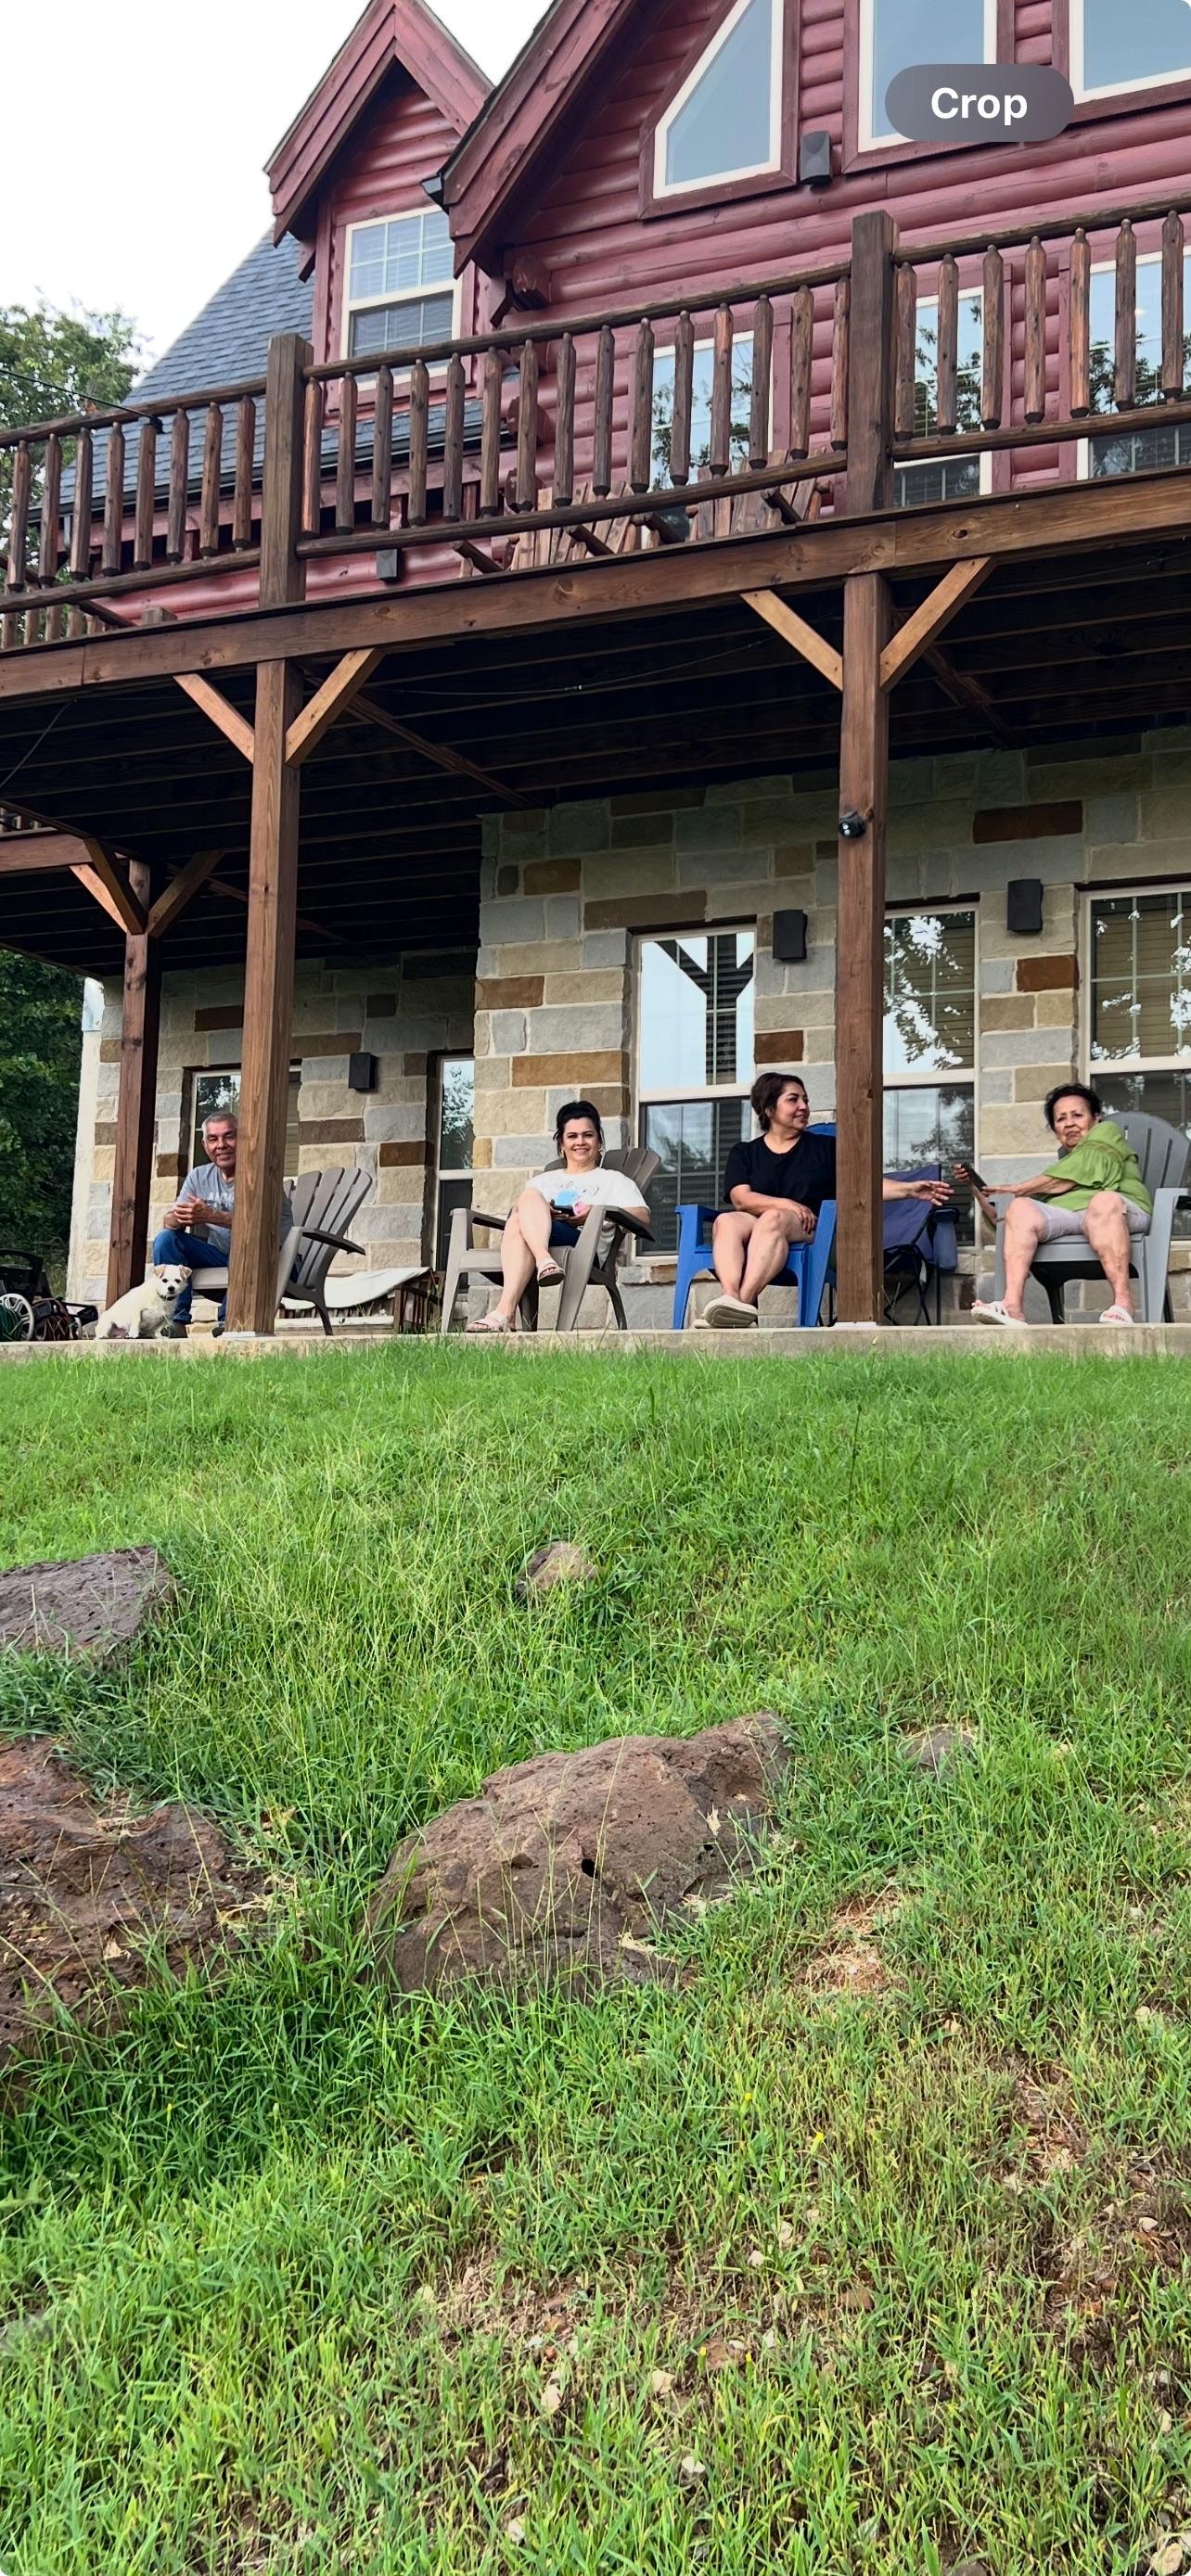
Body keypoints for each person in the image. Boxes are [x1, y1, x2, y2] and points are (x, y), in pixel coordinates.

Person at [702, 1072, 953, 1328]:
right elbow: (742, 1199)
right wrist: (787, 1204)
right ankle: (730, 1296)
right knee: (726, 1221)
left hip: (812, 1229)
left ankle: (738, 1308)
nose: (803, 1107)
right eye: (793, 1100)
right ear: (768, 1108)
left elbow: (861, 1188)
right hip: (761, 1224)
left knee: (773, 1217)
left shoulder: (825, 1149)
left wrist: (910, 1190)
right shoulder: (745, 1152)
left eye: (805, 1100)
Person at [966, 1082, 1151, 1326]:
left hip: (1123, 1209)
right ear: (1055, 1129)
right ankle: (1011, 1307)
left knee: (1103, 1201)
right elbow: (1000, 1218)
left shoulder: (1107, 1133)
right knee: (1020, 1209)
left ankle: (1123, 1304)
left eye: (1077, 1115)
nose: (1069, 1123)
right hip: (1074, 1215)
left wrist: (1020, 1188)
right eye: (1061, 1119)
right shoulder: (1061, 1169)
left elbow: (1086, 1167)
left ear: (1096, 1119)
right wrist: (976, 1188)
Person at [466, 1100, 650, 1334]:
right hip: (541, 1242)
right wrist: (544, 1211)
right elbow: (520, 1213)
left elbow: (643, 1217)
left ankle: (504, 1311)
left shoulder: (613, 1180)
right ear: (561, 1143)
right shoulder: (544, 1181)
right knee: (529, 1198)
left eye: (588, 1135)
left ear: (599, 1141)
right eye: (572, 1136)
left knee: (524, 1209)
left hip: (584, 1248)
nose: (580, 1142)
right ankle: (541, 1265)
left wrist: (596, 1210)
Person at [152, 1112, 294, 1338]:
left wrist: (210, 1215)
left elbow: (258, 1227)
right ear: (205, 1144)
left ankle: (231, 1321)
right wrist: (178, 1218)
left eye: (229, 1137)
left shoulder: (263, 1175)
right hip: (222, 1259)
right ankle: (174, 1322)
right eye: (213, 1139)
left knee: (249, 1244)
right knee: (166, 1239)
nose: (221, 1145)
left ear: (243, 1139)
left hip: (274, 1263)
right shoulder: (199, 1176)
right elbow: (172, 1220)